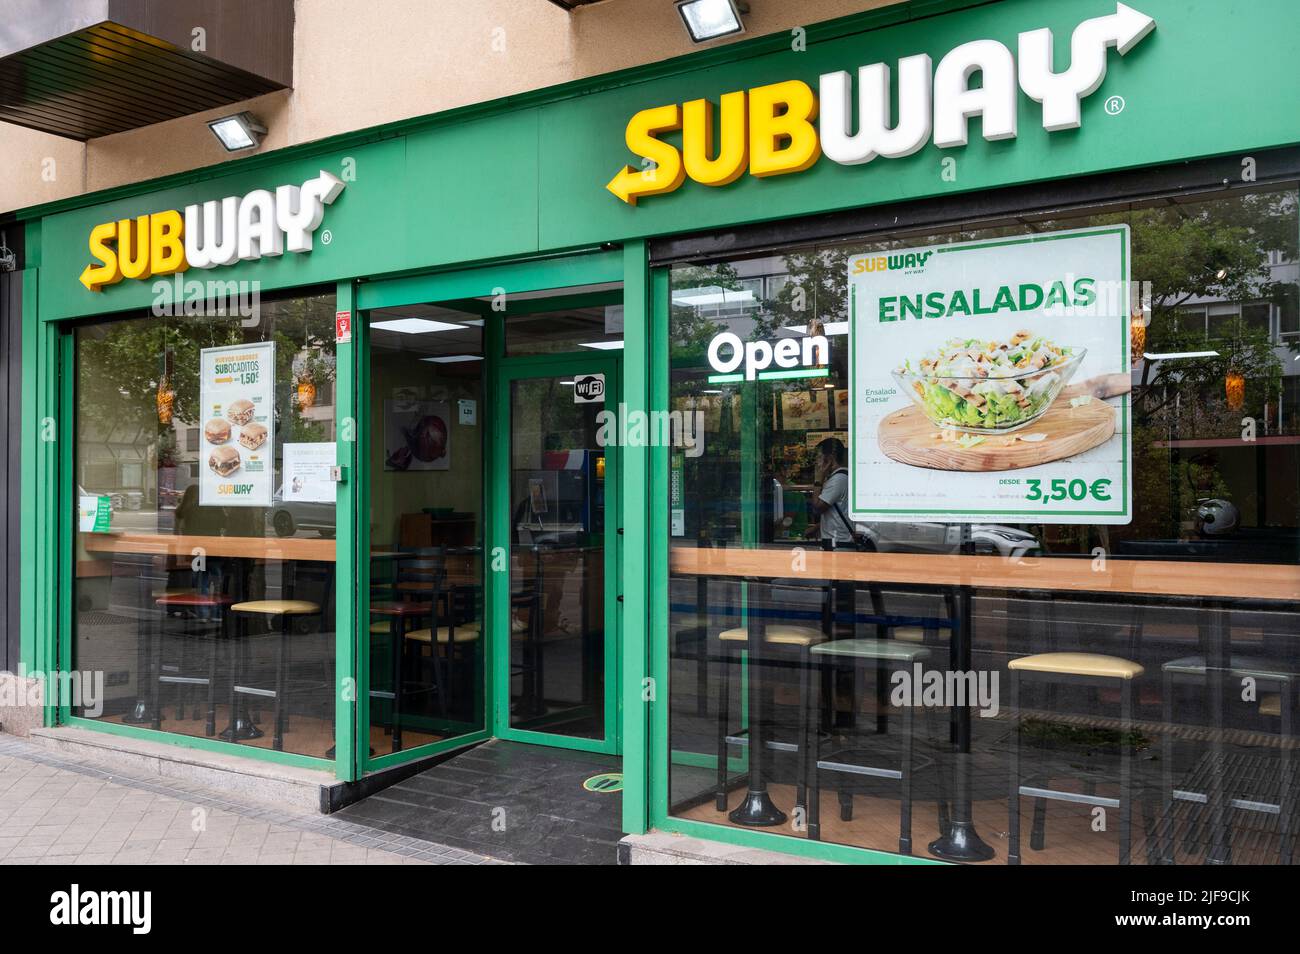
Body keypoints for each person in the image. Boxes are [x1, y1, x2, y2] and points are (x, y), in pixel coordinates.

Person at [806, 437, 856, 549]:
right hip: (838, 540)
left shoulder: (838, 479)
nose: (817, 462)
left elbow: (817, 508)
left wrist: (818, 479)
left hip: (838, 542)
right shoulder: (844, 476)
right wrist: (817, 527)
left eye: (819, 457)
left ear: (829, 459)